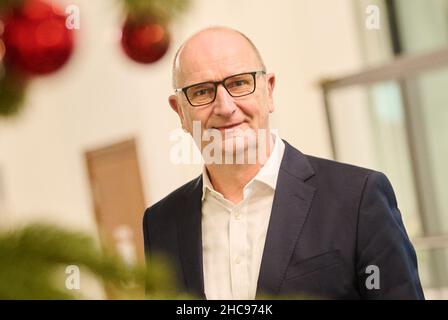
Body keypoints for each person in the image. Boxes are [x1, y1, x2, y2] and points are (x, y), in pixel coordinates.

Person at [142, 26, 424, 300]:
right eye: (202, 92)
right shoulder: (161, 224)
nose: (225, 107)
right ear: (180, 111)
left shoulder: (357, 198)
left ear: (269, 90)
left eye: (239, 83)